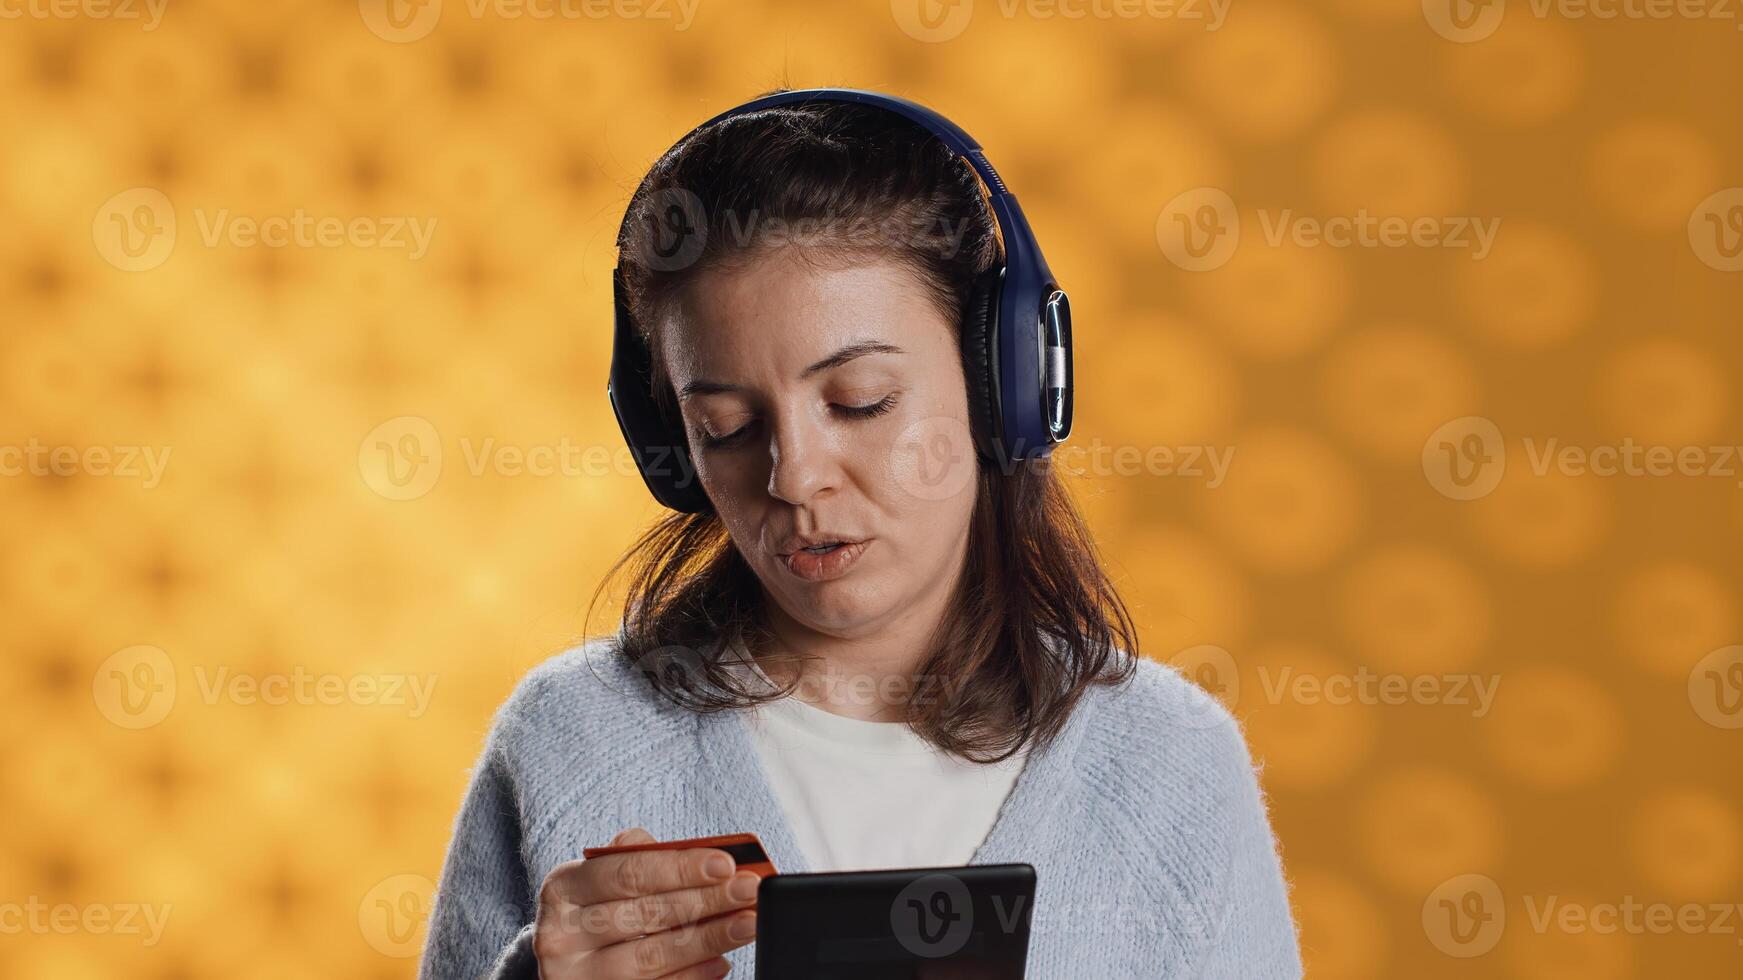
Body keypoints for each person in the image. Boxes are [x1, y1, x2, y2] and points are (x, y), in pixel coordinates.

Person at [419, 88, 1302, 980]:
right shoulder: (569, 740)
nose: (794, 477)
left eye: (860, 402)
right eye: (725, 426)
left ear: (1002, 384)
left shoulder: (1172, 768)